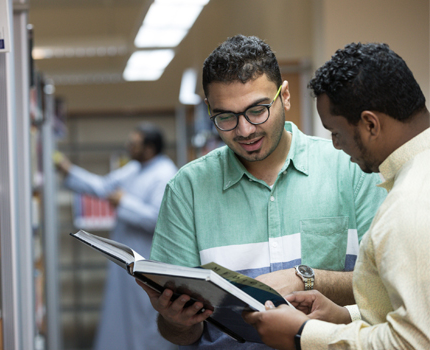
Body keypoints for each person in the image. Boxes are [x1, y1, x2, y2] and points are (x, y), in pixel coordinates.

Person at [138, 35, 386, 349]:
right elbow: (179, 335)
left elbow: (386, 288)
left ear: (285, 96)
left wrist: (306, 278)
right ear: (209, 110)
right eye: (225, 117)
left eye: (257, 110)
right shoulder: (187, 190)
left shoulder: (351, 170)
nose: (244, 130)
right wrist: (175, 320)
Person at [242, 42, 430, 350]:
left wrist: (304, 335)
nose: (335, 145)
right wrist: (344, 315)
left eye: (336, 132)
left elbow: (414, 341)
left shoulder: (409, 205)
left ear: (370, 124)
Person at [56, 122, 178, 350]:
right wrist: (67, 169)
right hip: (126, 259)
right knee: (123, 318)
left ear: (150, 148)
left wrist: (124, 202)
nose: (128, 146)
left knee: (145, 320)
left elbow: (158, 219)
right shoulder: (134, 168)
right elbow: (103, 187)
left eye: (134, 143)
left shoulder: (165, 174)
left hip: (147, 260)